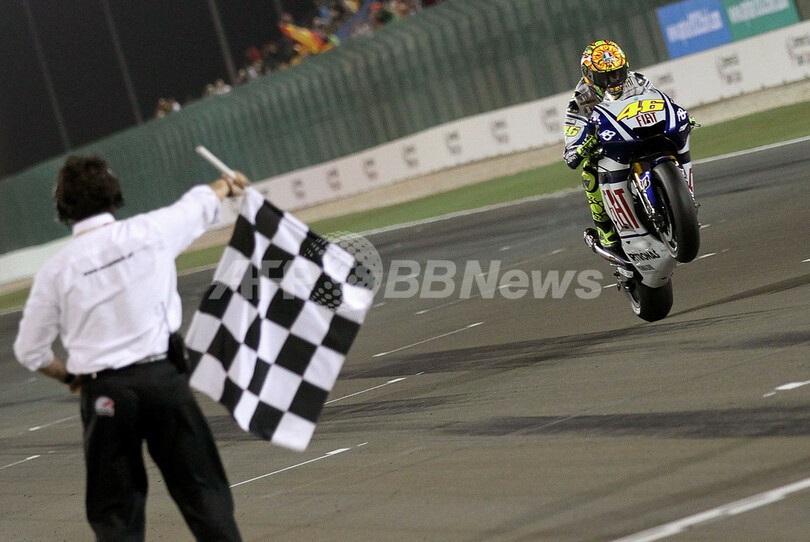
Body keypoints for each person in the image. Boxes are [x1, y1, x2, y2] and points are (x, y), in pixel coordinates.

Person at [13, 155, 249, 541]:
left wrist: (69, 377)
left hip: (105, 394)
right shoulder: (151, 231)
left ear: (62, 207)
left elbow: (29, 351)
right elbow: (198, 202)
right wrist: (226, 183)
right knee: (204, 496)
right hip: (164, 380)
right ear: (114, 193)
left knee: (116, 517)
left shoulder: (55, 271)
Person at [563, 40, 658, 257]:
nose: (613, 80)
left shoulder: (638, 81)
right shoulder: (579, 102)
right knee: (589, 173)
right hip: (611, 147)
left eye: (617, 73)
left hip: (642, 134)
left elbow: (660, 103)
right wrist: (583, 147)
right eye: (604, 77)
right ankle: (606, 232)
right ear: (589, 75)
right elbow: (570, 152)